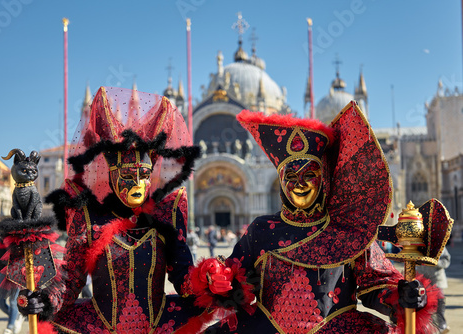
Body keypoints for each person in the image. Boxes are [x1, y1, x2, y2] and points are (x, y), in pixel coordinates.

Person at [186, 102, 443, 333]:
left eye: (309, 174)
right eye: (290, 176)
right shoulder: (262, 230)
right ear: (281, 182)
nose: (299, 184)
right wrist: (219, 280)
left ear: (324, 180)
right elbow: (236, 278)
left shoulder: (348, 230)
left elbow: (378, 284)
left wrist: (403, 296)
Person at [14, 87, 208, 333]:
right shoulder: (89, 218)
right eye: (127, 175)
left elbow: (184, 279)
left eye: (143, 174)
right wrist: (43, 300)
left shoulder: (165, 216)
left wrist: (211, 282)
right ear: (111, 175)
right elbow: (71, 280)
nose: (137, 183)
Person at [0, 234, 26, 334]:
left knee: (13, 302)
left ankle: (10, 327)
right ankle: (16, 316)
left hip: (15, 274)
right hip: (1, 274)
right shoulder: (0, 239)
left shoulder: (18, 238)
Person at [417, 246, 451, 333]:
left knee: (440, 302)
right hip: (422, 280)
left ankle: (442, 325)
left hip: (437, 279)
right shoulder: (418, 245)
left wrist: (436, 262)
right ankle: (426, 326)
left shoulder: (440, 245)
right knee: (423, 304)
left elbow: (446, 260)